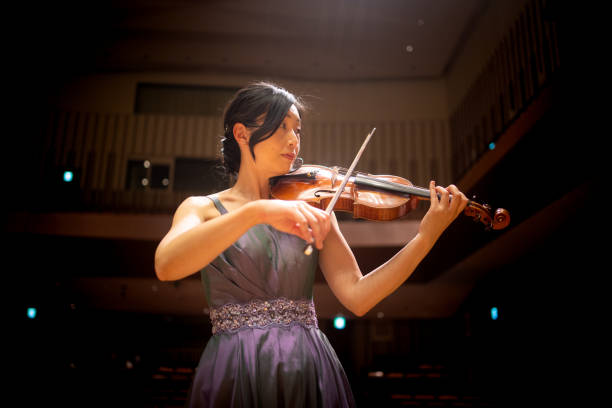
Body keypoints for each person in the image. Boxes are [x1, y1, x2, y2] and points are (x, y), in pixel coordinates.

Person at [154, 81, 469, 407]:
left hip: (306, 364)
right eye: (281, 127)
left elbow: (358, 296)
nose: (293, 139)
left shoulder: (314, 209)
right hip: (236, 365)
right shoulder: (201, 208)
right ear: (241, 134)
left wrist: (425, 237)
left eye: (298, 130)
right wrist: (256, 212)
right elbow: (166, 265)